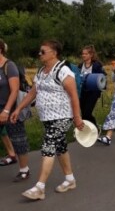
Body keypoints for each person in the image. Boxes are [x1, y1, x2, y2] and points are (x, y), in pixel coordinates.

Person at [11, 39, 84, 200]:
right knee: (60, 147)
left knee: (48, 145)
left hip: (62, 117)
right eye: (39, 51)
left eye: (43, 51)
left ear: (54, 53)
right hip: (47, 118)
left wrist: (77, 118)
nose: (39, 54)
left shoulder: (63, 71)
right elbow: (32, 93)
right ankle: (70, 180)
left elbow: (74, 96)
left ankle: (40, 187)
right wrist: (18, 108)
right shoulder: (41, 71)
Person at [0, 39, 30, 182]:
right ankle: (11, 157)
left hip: (10, 110)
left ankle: (24, 169)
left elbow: (14, 90)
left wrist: (6, 111)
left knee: (18, 139)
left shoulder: (9, 66)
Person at [78, 45, 106, 126]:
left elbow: (102, 78)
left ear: (91, 55)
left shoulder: (97, 65)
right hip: (83, 92)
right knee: (83, 115)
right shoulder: (80, 65)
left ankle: (95, 129)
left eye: (86, 54)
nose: (83, 55)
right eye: (83, 54)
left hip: (93, 93)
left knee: (87, 113)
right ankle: (89, 132)